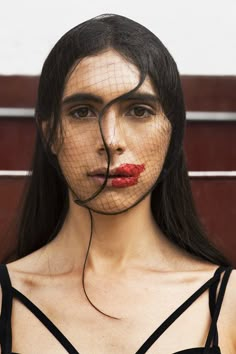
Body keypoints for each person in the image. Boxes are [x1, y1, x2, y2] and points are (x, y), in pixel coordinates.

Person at [0, 13, 235, 354]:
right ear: (50, 132)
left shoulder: (227, 302)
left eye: (138, 110)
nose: (110, 140)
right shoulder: (6, 298)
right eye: (82, 111)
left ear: (172, 131)